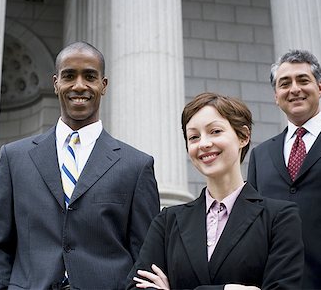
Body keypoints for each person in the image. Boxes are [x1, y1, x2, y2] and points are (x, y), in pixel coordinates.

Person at [0, 41, 160, 289]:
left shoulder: (136, 165)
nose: (79, 85)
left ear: (103, 85)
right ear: (56, 83)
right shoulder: (14, 158)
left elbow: (145, 255)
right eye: (69, 76)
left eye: (89, 76)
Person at [127, 92, 304, 290]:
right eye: (193, 137)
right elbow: (135, 287)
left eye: (215, 131)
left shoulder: (280, 218)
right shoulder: (168, 221)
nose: (203, 144)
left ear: (243, 136)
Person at [247, 49, 321, 289]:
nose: (294, 89)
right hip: (276, 282)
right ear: (276, 96)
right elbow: (254, 225)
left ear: (320, 88)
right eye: (285, 83)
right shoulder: (261, 155)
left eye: (303, 80)